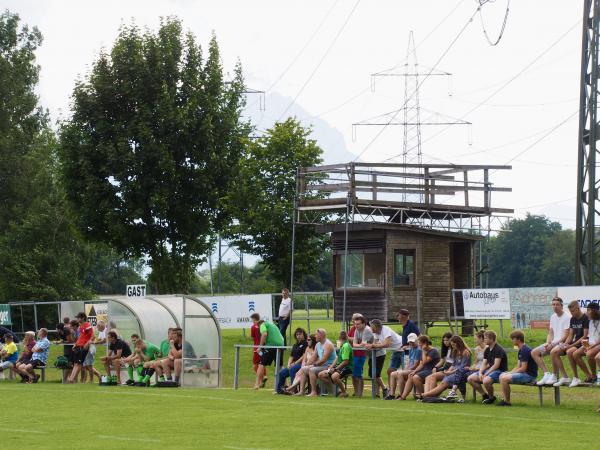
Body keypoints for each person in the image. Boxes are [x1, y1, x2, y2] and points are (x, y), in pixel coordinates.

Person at [550, 300, 589, 387]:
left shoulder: (585, 318)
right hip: (577, 342)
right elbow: (571, 335)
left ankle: (580, 376)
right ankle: (566, 377)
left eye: (573, 311)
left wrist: (570, 345)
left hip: (586, 342)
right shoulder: (572, 319)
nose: (571, 313)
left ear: (578, 308)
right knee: (555, 352)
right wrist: (565, 344)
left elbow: (585, 336)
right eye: (570, 311)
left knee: (570, 351)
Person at [533, 297, 571, 386]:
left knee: (553, 352)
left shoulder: (567, 317)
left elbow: (566, 335)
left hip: (563, 343)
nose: (555, 306)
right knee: (534, 352)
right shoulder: (553, 316)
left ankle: (562, 376)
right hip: (553, 343)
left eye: (557, 304)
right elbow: (551, 332)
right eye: (553, 304)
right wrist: (548, 342)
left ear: (562, 306)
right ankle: (547, 374)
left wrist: (553, 344)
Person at [421, 335, 471, 400]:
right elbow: (453, 364)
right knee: (432, 377)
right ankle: (429, 396)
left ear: (458, 344)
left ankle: (425, 395)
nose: (453, 346)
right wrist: (448, 371)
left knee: (444, 383)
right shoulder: (456, 351)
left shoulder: (465, 352)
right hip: (453, 372)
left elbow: (462, 367)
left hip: (461, 373)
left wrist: (451, 372)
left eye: (453, 345)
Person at [497, 330, 539, 406]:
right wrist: (509, 372)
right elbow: (518, 366)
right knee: (501, 376)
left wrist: (510, 374)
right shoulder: (521, 349)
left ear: (518, 339)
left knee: (504, 379)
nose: (512, 341)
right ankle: (505, 399)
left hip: (529, 375)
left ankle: (507, 402)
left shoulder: (525, 350)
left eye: (513, 339)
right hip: (524, 373)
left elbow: (523, 368)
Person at [467, 330, 508, 404]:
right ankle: (484, 395)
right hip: (491, 370)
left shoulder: (498, 349)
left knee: (486, 380)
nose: (484, 339)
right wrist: (480, 372)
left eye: (485, 338)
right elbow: (484, 363)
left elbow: (496, 365)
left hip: (499, 371)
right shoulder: (487, 350)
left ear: (492, 339)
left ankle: (491, 397)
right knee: (470, 378)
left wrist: (485, 374)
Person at [366, 319, 403, 397]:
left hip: (402, 349)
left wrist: (372, 345)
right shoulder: (376, 333)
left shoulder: (386, 330)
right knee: (390, 371)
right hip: (395, 351)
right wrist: (370, 345)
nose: (370, 328)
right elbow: (376, 343)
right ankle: (391, 393)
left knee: (404, 372)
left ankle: (402, 394)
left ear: (376, 327)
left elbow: (387, 344)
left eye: (371, 326)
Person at [398, 335, 440, 400]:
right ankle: (403, 396)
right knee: (411, 375)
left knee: (416, 377)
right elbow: (421, 365)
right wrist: (414, 371)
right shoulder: (424, 351)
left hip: (431, 370)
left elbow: (425, 362)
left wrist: (423, 351)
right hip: (425, 370)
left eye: (420, 343)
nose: (419, 344)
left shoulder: (433, 351)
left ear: (425, 343)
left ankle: (423, 395)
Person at [252, 314, 284, 390]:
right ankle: (286, 384)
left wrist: (260, 346)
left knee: (261, 364)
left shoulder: (262, 325)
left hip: (271, 346)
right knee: (280, 366)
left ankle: (257, 384)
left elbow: (264, 334)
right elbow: (281, 337)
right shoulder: (273, 325)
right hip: (281, 346)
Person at [571, 302, 600, 384]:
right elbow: (590, 336)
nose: (586, 312)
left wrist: (590, 347)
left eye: (588, 310)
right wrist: (586, 344)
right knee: (575, 354)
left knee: (589, 354)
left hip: (598, 344)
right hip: (591, 344)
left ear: (594, 311)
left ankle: (595, 376)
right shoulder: (590, 321)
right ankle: (590, 376)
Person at [386, 332, 421, 400]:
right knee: (392, 373)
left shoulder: (418, 350)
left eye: (413, 342)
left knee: (400, 373)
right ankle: (392, 394)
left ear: (416, 341)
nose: (411, 343)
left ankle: (402, 395)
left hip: (416, 370)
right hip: (411, 369)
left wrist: (406, 370)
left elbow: (416, 364)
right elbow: (410, 362)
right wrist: (406, 369)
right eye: (410, 342)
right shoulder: (411, 349)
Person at [318, 330, 353, 397]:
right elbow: (337, 358)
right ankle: (335, 391)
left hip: (347, 367)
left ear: (340, 339)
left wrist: (335, 369)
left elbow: (346, 362)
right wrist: (331, 367)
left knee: (334, 376)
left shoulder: (346, 346)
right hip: (339, 366)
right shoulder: (341, 346)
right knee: (321, 375)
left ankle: (344, 392)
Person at [276, 327, 307, 394]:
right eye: (297, 334)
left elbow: (304, 356)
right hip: (294, 364)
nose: (298, 336)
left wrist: (295, 363)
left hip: (302, 364)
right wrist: (289, 364)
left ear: (304, 334)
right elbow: (291, 356)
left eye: (300, 334)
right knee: (282, 373)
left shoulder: (305, 343)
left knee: (293, 369)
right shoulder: (295, 345)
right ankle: (279, 390)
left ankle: (293, 390)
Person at [307, 328, 337, 397]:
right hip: (322, 365)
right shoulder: (318, 344)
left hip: (329, 366)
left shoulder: (328, 344)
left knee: (311, 370)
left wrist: (314, 365)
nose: (315, 336)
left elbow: (324, 360)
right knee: (304, 369)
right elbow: (313, 357)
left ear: (321, 335)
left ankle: (314, 392)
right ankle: (300, 391)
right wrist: (306, 365)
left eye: (316, 335)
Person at [350, 314, 374, 397]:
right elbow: (354, 344)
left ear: (364, 323)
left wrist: (359, 344)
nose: (356, 326)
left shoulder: (367, 330)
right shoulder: (357, 330)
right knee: (355, 373)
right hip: (364, 353)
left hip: (374, 354)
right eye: (355, 324)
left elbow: (363, 344)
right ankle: (357, 392)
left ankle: (360, 393)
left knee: (373, 374)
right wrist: (360, 344)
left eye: (358, 324)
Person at [67, 312, 94, 383]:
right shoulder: (81, 326)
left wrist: (87, 344)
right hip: (78, 346)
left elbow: (93, 337)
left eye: (78, 318)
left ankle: (72, 379)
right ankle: (71, 379)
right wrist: (75, 344)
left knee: (79, 364)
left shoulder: (87, 325)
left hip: (83, 347)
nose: (77, 319)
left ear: (83, 318)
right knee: (76, 363)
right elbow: (81, 337)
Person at [250, 316, 268, 388]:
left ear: (255, 319)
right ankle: (261, 381)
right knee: (262, 363)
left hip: (257, 348)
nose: (252, 321)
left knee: (255, 365)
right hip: (264, 347)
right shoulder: (264, 326)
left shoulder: (254, 327)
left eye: (252, 320)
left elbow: (252, 337)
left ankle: (263, 376)